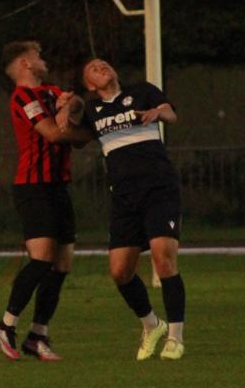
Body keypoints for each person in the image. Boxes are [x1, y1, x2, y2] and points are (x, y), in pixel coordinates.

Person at [57, 57, 186, 360]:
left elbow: (170, 114)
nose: (101, 67)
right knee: (119, 272)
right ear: (90, 85)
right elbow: (74, 133)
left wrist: (158, 112)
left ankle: (175, 337)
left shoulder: (142, 92)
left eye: (103, 64)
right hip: (124, 198)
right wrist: (67, 106)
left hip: (159, 189)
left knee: (163, 258)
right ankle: (152, 325)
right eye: (93, 69)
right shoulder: (93, 109)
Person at [0, 40, 80, 362]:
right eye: (38, 56)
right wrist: (72, 123)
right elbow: (53, 133)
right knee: (41, 259)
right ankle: (6, 325)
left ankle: (37, 336)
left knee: (62, 265)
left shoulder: (52, 92)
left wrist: (70, 107)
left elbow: (76, 104)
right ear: (25, 63)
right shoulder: (23, 97)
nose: (43, 60)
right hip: (33, 187)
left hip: (58, 187)